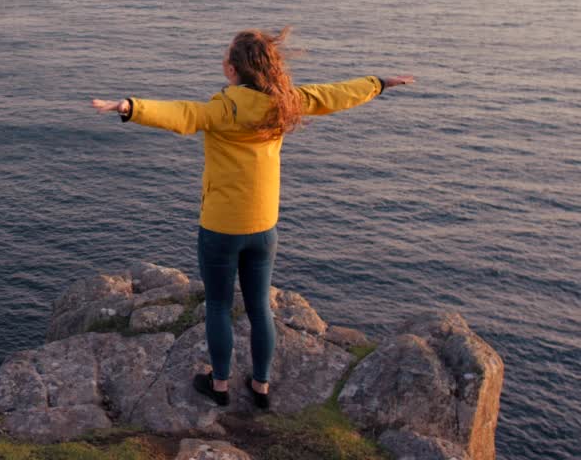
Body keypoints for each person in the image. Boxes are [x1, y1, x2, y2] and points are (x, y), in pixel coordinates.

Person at [90, 27, 413, 410]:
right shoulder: (286, 103)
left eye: (226, 58)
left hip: (221, 227)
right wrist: (378, 83)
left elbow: (182, 114)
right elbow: (334, 95)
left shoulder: (222, 109)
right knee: (260, 307)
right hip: (263, 227)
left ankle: (220, 384)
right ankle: (261, 386)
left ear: (233, 70)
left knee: (218, 306)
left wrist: (129, 106)